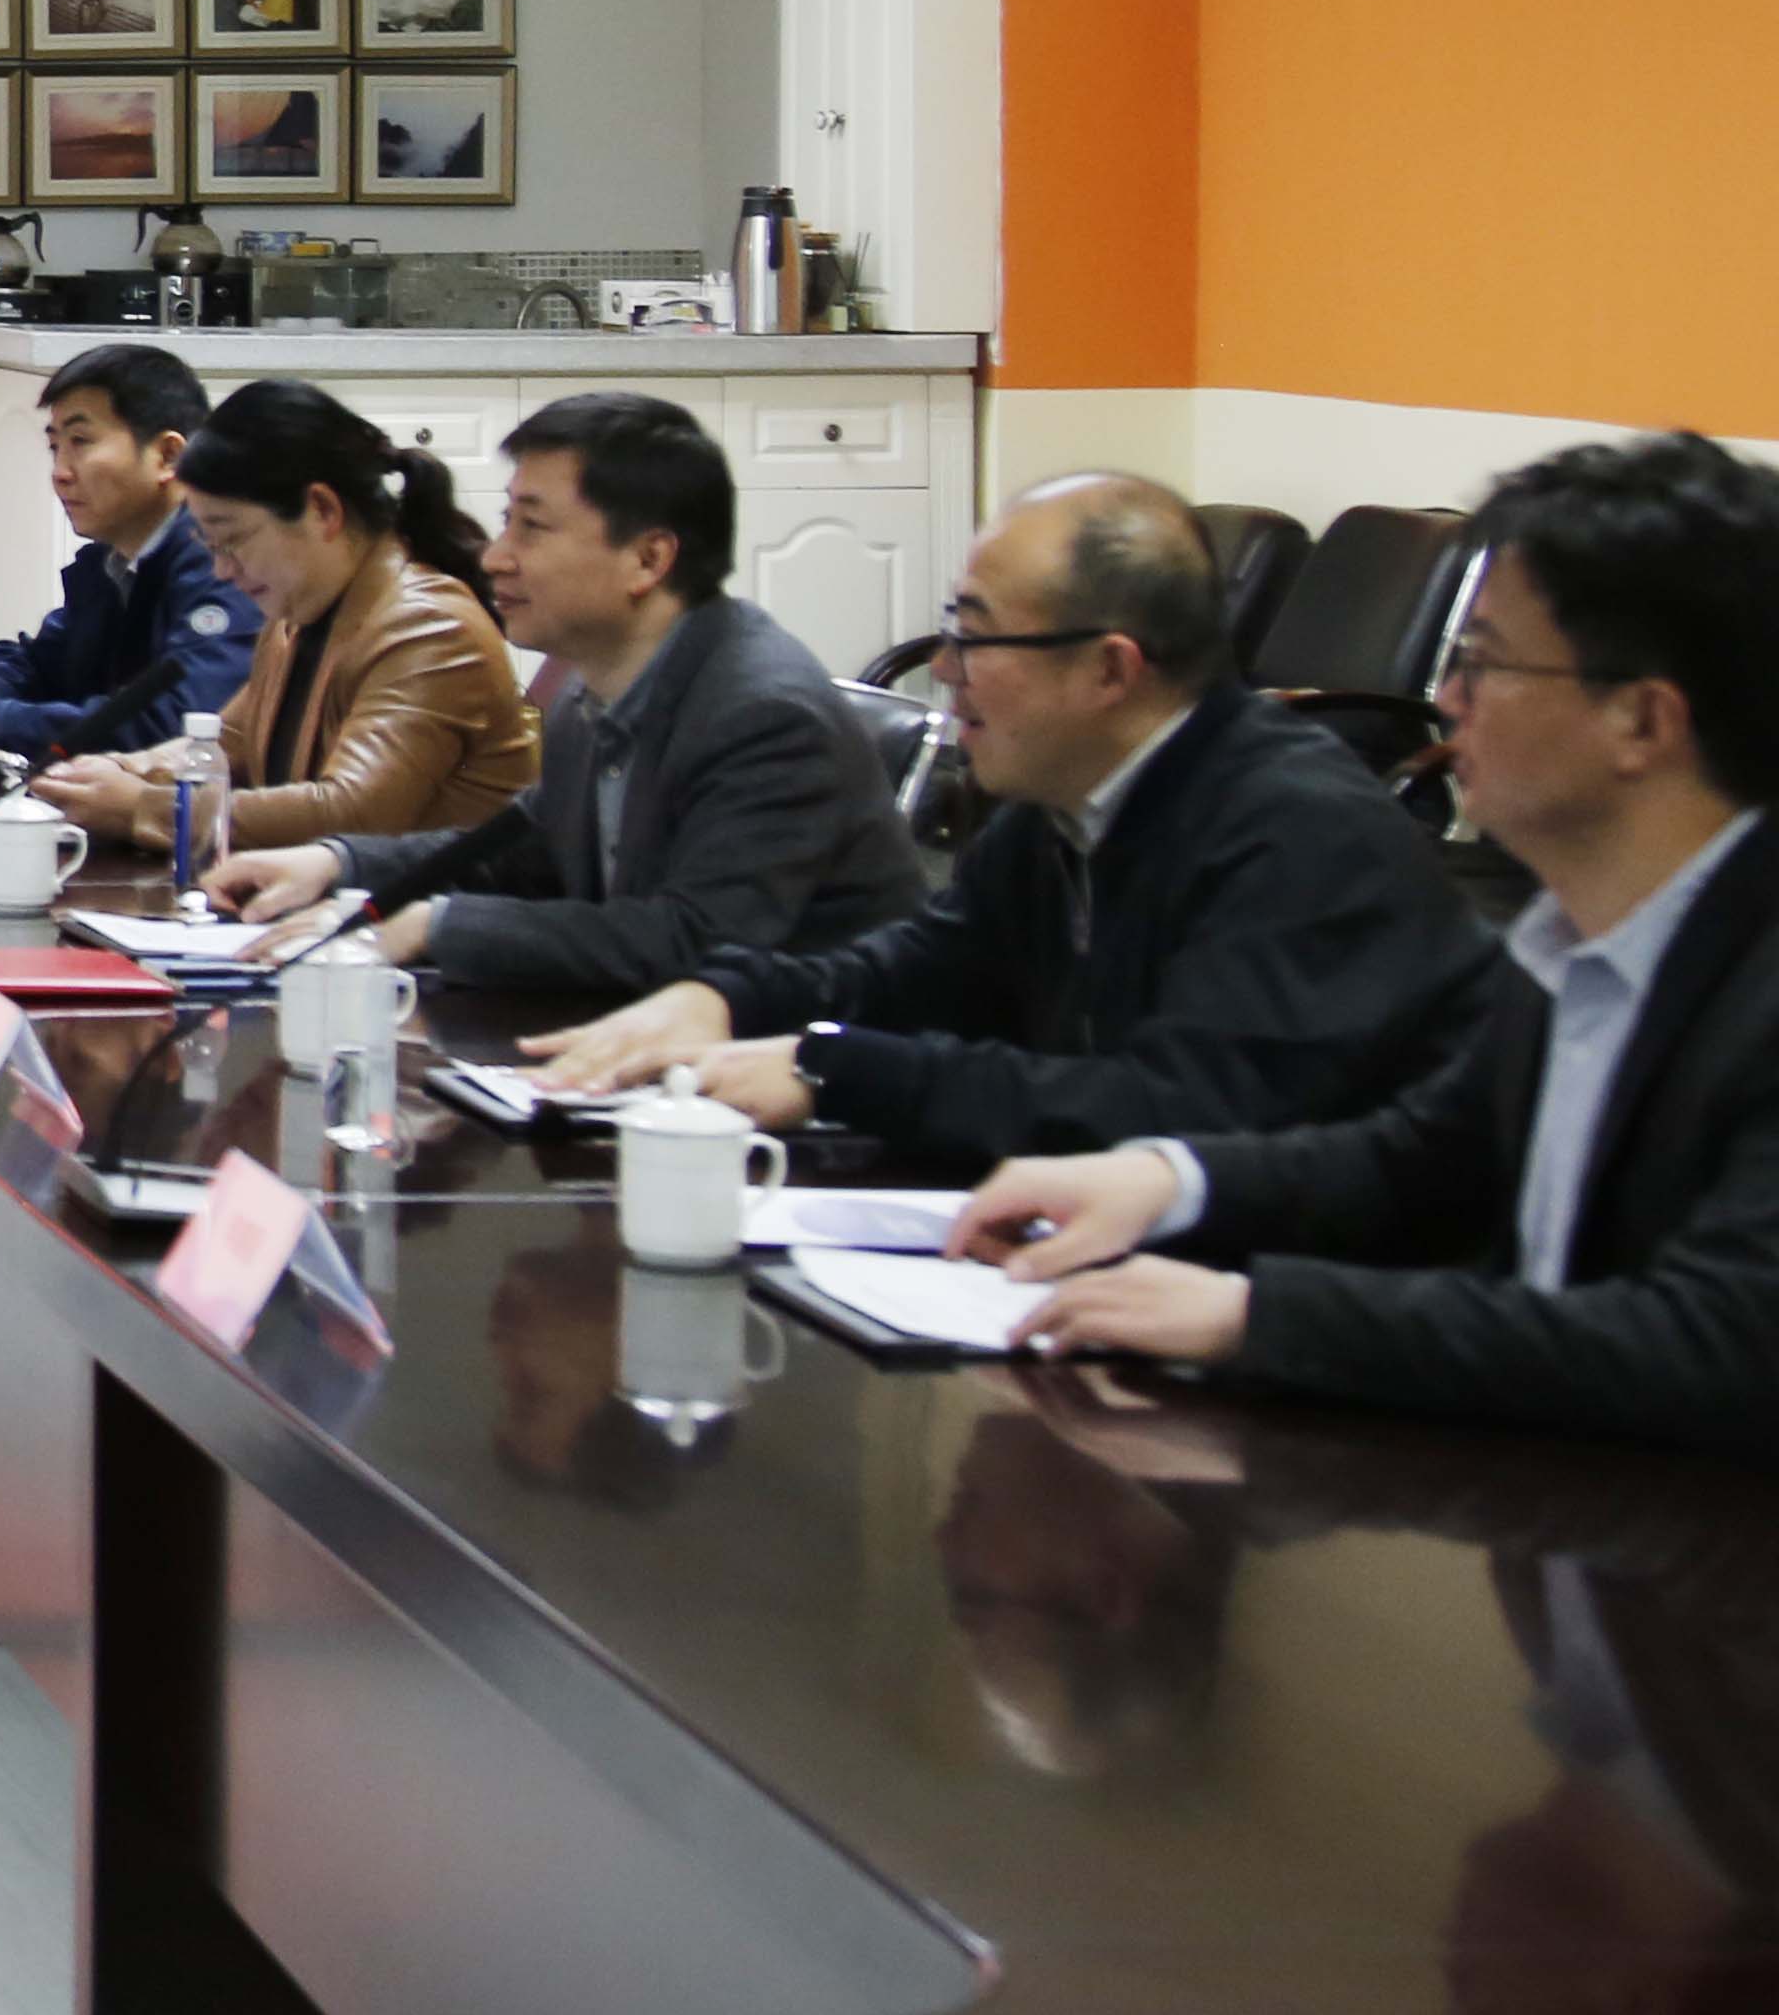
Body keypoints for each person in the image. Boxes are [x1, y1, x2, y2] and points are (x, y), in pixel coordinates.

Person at [945, 432, 1779, 1455]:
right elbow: (1426, 1159)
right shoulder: (1572, 937)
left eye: (1482, 663)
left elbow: (1715, 1345)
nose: (1448, 702)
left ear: (1642, 722)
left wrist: (1257, 1317)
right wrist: (1167, 1182)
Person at [525, 471, 1503, 1167]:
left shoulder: (1294, 832)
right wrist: (723, 1000)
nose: (946, 671)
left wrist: (839, 1071)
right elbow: (918, 971)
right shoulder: (1063, 802)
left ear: (1110, 668)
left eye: (975, 637)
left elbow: (1182, 1115)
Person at [205, 390, 919, 994]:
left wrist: (438, 926)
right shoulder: (595, 688)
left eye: (533, 526)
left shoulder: (761, 714)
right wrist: (337, 863)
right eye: (507, 521)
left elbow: (697, 942)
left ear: (648, 558)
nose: (495, 556)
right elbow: (523, 853)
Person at [36, 375, 533, 856]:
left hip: (427, 908)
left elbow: (353, 811)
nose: (222, 570)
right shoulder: (297, 613)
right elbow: (226, 744)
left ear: (322, 510)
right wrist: (117, 773)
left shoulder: (427, 626)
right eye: (211, 546)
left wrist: (142, 807)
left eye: (234, 540)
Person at [0, 342, 253, 763]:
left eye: (81, 441)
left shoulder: (224, 566)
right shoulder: (111, 561)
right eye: (55, 447)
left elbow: (172, 723)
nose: (60, 473)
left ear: (168, 456)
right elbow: (44, 661)